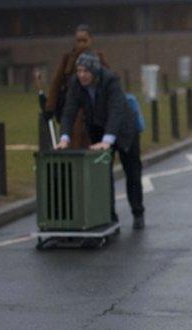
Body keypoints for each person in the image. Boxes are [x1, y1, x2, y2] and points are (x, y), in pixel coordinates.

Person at [55, 52, 145, 230]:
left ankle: (138, 212)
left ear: (95, 72)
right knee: (102, 175)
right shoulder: (75, 83)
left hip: (124, 129)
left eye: (86, 71)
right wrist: (64, 137)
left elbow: (117, 110)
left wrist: (108, 140)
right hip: (98, 128)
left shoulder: (110, 80)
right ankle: (110, 217)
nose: (81, 75)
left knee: (132, 172)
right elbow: (69, 111)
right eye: (79, 70)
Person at [46, 24, 109, 149]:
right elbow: (57, 83)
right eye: (78, 41)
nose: (81, 44)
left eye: (84, 40)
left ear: (91, 40)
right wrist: (50, 107)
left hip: (93, 105)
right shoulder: (68, 59)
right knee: (72, 133)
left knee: (91, 135)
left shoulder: (98, 58)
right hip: (73, 103)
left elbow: (108, 81)